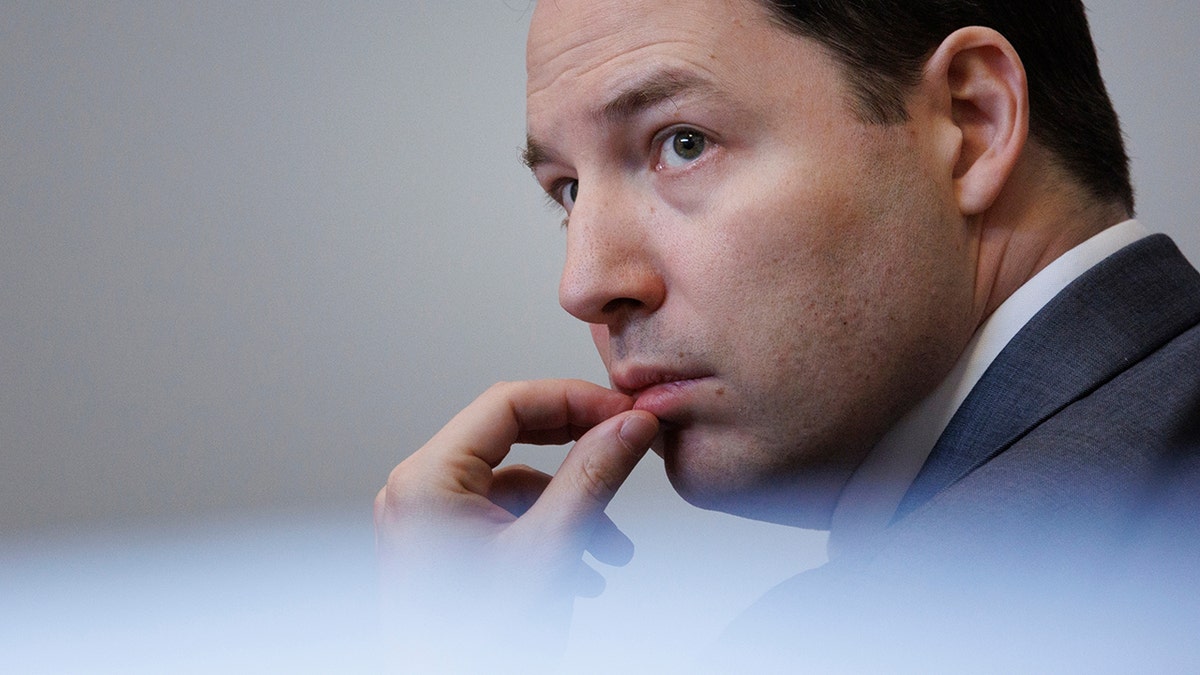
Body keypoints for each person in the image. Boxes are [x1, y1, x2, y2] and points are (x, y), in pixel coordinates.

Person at [375, 0, 1200, 668]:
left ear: (973, 122)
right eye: (566, 191)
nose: (584, 285)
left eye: (681, 143)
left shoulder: (888, 635)